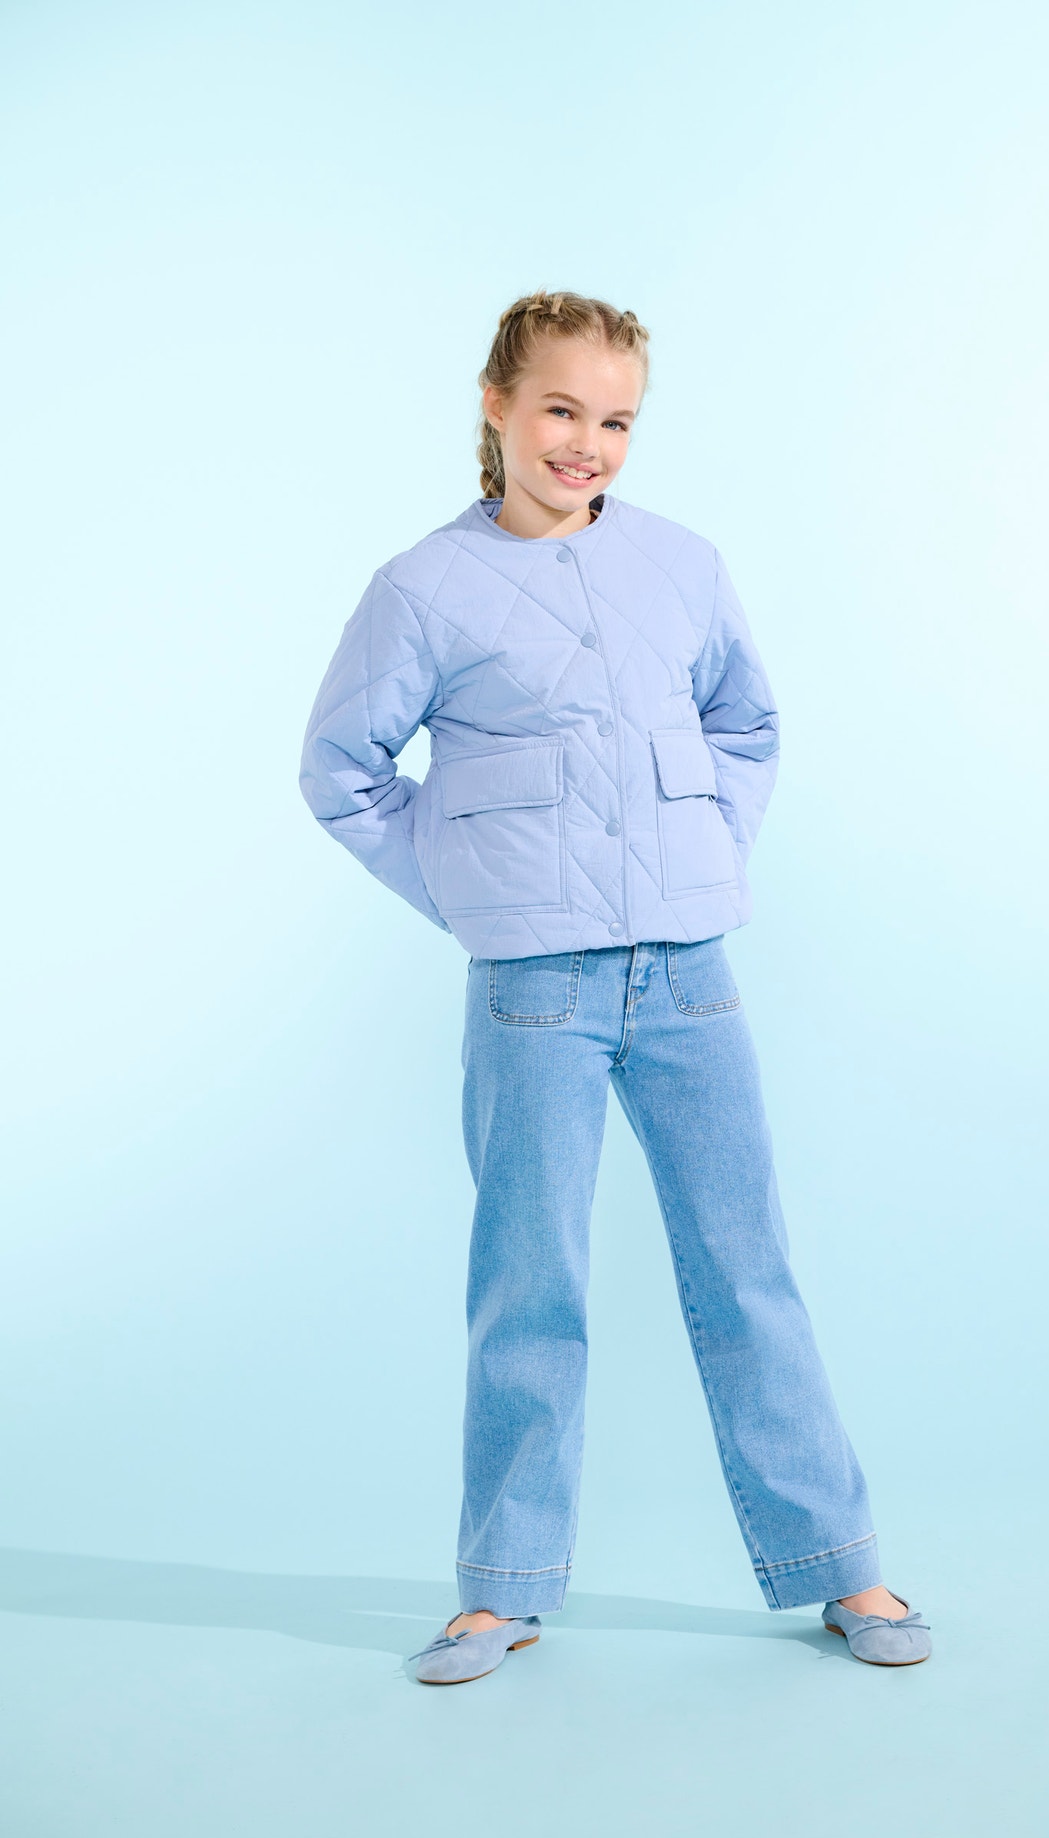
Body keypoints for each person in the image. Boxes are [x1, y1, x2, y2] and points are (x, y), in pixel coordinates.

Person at [299, 290, 931, 1686]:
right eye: (560, 409)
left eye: (617, 420)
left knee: (747, 1271)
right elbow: (341, 771)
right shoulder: (422, 588)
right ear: (496, 405)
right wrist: (473, 889)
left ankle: (842, 1565)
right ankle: (500, 1588)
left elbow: (746, 724)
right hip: (533, 992)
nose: (585, 442)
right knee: (529, 1284)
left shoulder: (683, 565)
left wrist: (707, 851)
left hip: (692, 975)